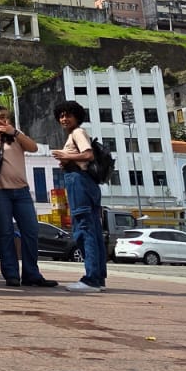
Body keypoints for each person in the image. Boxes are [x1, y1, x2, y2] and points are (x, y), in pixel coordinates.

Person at [0, 106, 58, 289]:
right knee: (5, 232)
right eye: (0, 117)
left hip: (22, 191)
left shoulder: (15, 135)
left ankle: (32, 273)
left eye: (7, 118)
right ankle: (11, 274)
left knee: (31, 230)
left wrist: (14, 132)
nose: (4, 121)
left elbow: (33, 147)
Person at [52, 100, 109, 292]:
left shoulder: (77, 133)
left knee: (83, 230)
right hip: (84, 182)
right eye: (61, 115)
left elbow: (88, 155)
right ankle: (98, 277)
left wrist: (66, 157)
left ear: (77, 117)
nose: (64, 119)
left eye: (68, 115)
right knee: (91, 229)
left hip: (79, 182)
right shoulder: (74, 134)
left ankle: (91, 279)